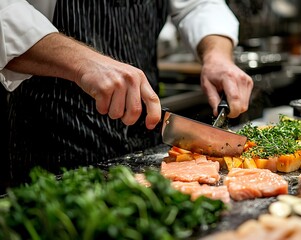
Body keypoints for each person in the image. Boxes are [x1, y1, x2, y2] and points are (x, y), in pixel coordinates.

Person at [0, 0, 253, 188]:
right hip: (52, 137)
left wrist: (217, 55)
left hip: (145, 127)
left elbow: (198, 4)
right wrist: (80, 62)